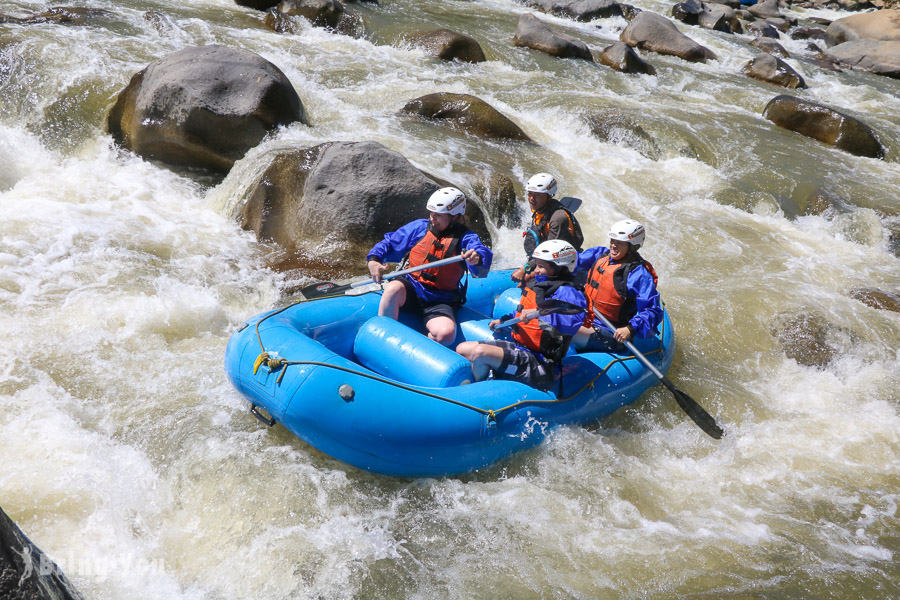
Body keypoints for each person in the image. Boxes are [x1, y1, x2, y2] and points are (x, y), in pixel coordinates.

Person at [366, 187, 493, 346]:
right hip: (411, 286)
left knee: (445, 335)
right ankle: (382, 341)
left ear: (454, 216)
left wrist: (477, 257)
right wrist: (373, 260)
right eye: (431, 213)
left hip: (440, 299)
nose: (432, 218)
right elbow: (390, 243)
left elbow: (481, 253)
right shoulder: (419, 227)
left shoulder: (466, 238)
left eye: (438, 215)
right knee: (392, 289)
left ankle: (413, 350)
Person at [456, 240, 586, 391]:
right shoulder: (540, 284)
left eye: (541, 266)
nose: (536, 270)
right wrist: (505, 321)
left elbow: (572, 319)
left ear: (559, 268)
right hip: (522, 349)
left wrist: (541, 314)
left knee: (480, 353)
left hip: (540, 364)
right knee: (462, 348)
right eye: (536, 265)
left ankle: (477, 392)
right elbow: (524, 310)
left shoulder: (568, 292)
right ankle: (487, 376)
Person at [572, 219, 662, 352]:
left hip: (611, 332)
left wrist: (630, 328)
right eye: (612, 241)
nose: (613, 246)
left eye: (619, 243)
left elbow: (652, 311)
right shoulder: (600, 255)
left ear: (632, 246)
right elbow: (572, 262)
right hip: (585, 316)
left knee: (559, 324)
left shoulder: (638, 275)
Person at [511, 172, 584, 285]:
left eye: (537, 195)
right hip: (543, 261)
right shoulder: (539, 210)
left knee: (526, 284)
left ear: (549, 196)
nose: (531, 199)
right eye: (530, 194)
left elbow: (550, 255)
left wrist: (526, 270)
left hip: (560, 266)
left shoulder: (558, 218)